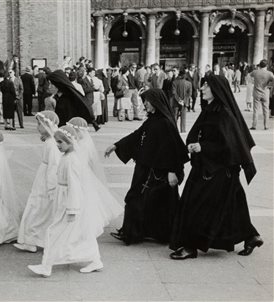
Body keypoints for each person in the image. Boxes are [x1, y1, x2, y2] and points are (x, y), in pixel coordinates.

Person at [169, 74, 263, 260]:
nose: (201, 89)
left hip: (217, 171)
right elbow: (198, 132)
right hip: (208, 167)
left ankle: (190, 246)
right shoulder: (210, 109)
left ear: (216, 90)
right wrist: (192, 143)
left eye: (205, 86)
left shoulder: (224, 114)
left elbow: (230, 146)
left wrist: (203, 146)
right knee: (231, 206)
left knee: (195, 204)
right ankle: (251, 236)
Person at [104, 89, 189, 245]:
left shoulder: (165, 123)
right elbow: (137, 135)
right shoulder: (153, 120)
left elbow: (174, 149)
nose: (144, 104)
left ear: (156, 102)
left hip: (159, 173)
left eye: (147, 101)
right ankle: (136, 232)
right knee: (141, 200)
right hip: (146, 169)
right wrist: (116, 145)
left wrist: (172, 171)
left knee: (151, 202)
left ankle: (140, 233)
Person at [28, 125, 103, 277]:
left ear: (70, 142)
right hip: (63, 198)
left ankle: (46, 265)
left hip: (69, 201)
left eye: (60, 142)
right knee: (79, 232)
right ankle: (94, 259)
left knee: (54, 232)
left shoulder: (71, 161)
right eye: (56, 142)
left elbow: (74, 186)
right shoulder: (67, 157)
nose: (58, 146)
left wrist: (72, 209)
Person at [15, 111, 61, 253]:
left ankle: (31, 240)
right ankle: (32, 239)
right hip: (43, 178)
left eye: (39, 124)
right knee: (37, 209)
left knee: (37, 209)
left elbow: (53, 167)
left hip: (45, 181)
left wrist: (51, 187)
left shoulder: (52, 144)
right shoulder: (50, 141)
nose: (37, 127)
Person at [250, 59, 274, 130]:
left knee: (256, 109)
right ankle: (266, 126)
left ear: (259, 65)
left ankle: (254, 125)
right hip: (265, 92)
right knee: (266, 110)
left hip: (256, 92)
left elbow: (249, 76)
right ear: (266, 65)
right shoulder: (269, 73)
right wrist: (270, 86)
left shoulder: (255, 72)